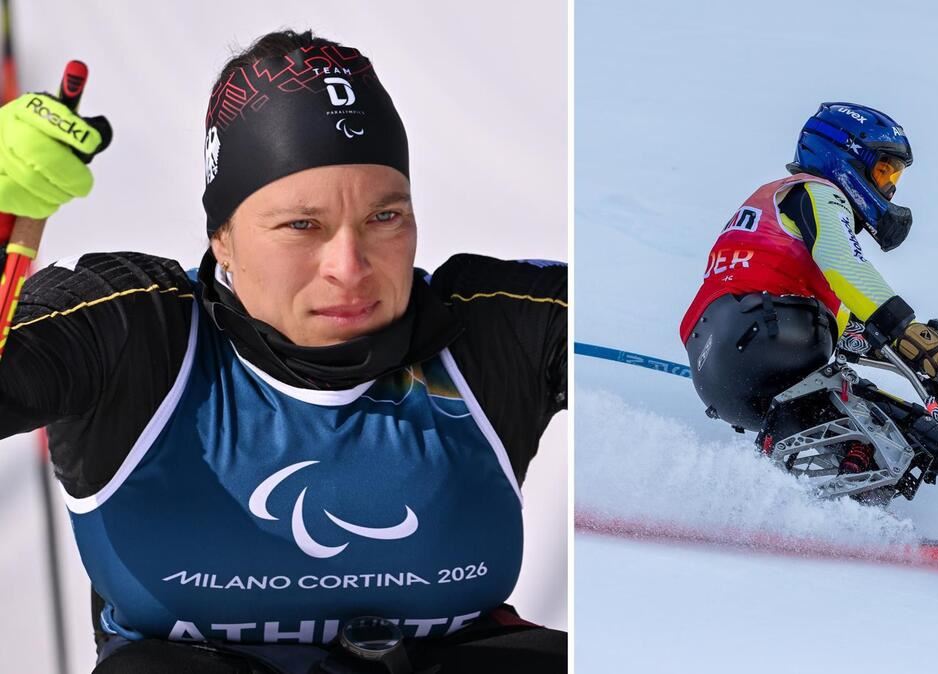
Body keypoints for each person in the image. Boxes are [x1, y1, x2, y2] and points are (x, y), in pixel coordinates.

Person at [0, 30, 566, 673]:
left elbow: (655, 333)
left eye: (385, 218)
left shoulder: (490, 328)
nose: (349, 268)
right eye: (303, 225)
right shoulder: (132, 328)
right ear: (223, 237)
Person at [679, 102, 938, 467]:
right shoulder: (816, 190)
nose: (887, 189)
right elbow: (842, 262)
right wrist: (911, 334)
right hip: (770, 332)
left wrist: (864, 333)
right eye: (883, 171)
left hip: (718, 369)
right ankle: (925, 441)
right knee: (887, 421)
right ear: (843, 156)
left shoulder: (770, 200)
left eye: (894, 179)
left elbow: (788, 276)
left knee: (847, 413)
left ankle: (841, 488)